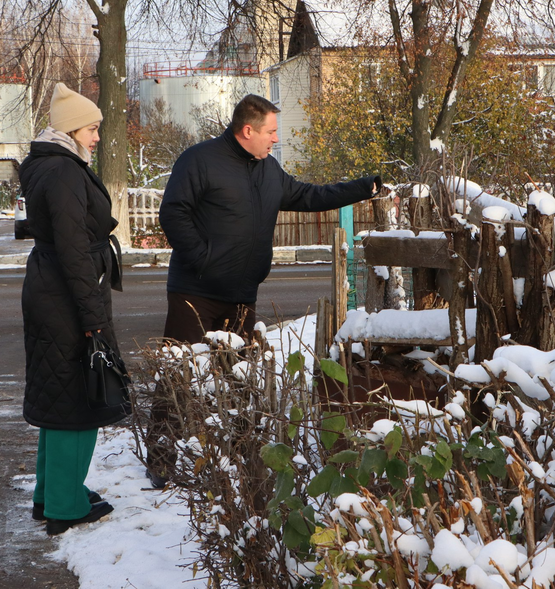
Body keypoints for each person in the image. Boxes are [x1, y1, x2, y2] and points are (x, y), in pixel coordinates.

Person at [145, 93, 378, 485]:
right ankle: (161, 461)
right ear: (247, 129)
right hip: (195, 292)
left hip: (242, 296)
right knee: (179, 377)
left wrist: (361, 188)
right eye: (271, 132)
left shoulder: (268, 170)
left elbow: (307, 195)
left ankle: (236, 457)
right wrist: (203, 259)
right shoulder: (200, 160)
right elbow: (173, 212)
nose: (275, 140)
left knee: (238, 378)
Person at [19, 83, 122, 536]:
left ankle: (52, 494)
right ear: (70, 128)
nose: (97, 136)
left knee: (59, 394)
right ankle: (65, 504)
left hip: (52, 291)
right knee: (78, 399)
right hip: (66, 296)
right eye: (92, 128)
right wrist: (93, 320)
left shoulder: (52, 164)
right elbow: (74, 251)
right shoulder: (62, 171)